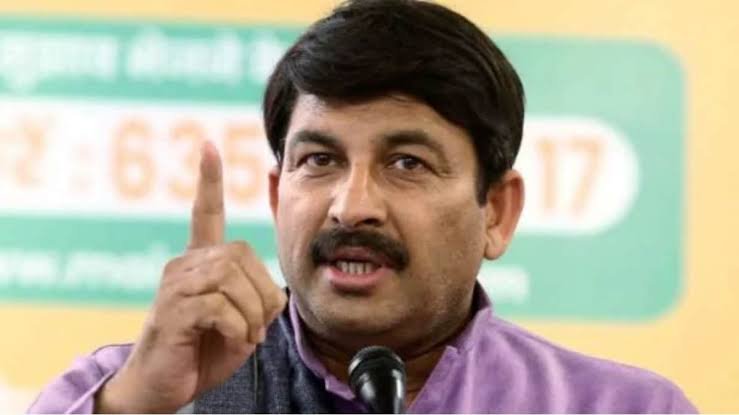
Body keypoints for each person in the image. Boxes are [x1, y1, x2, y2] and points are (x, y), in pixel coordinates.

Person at [28, 0, 697, 413]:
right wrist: (142, 407)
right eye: (319, 160)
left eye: (406, 163)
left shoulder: (623, 408)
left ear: (496, 212)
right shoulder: (124, 394)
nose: (352, 207)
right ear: (277, 197)